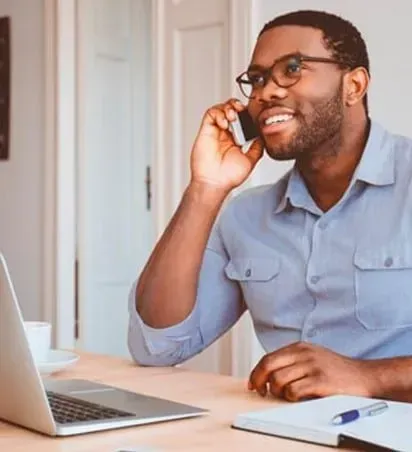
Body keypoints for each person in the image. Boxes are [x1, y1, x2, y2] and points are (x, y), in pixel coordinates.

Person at [128, 9, 412, 403]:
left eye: (292, 68)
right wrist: (205, 189)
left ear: (354, 85)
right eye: (257, 79)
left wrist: (368, 376)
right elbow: (156, 347)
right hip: (280, 433)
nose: (266, 93)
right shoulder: (246, 216)